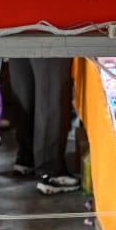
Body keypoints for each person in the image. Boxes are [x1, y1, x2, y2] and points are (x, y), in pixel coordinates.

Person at [8, 57, 81, 195]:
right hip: (52, 37)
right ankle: (51, 171)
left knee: (24, 75)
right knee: (51, 86)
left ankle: (27, 157)